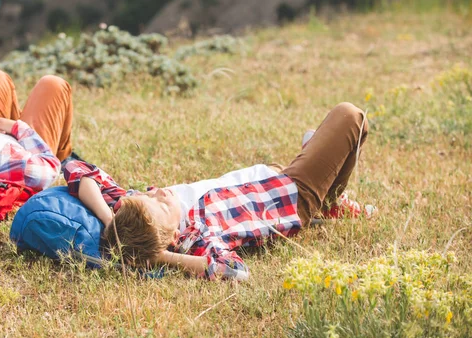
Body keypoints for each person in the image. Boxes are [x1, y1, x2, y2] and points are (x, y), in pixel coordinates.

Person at [64, 102, 370, 280]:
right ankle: (326, 200)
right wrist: (160, 257)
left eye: (146, 196)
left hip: (266, 176)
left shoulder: (134, 214)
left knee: (327, 142)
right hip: (291, 195)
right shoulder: (198, 235)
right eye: (160, 205)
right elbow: (235, 271)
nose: (159, 193)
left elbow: (78, 170)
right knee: (351, 117)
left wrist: (109, 220)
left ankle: (324, 183)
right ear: (172, 238)